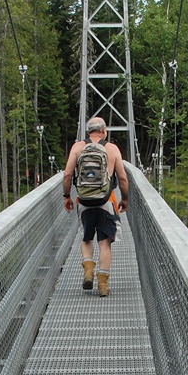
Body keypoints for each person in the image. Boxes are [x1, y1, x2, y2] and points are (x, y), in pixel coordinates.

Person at [62, 117, 129, 297]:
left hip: (84, 202)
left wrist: (67, 196)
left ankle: (88, 269)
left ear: (88, 131)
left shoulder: (77, 148)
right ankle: (103, 285)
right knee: (104, 242)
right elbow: (122, 178)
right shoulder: (112, 148)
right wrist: (125, 199)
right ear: (104, 130)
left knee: (86, 238)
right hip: (106, 201)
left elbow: (68, 174)